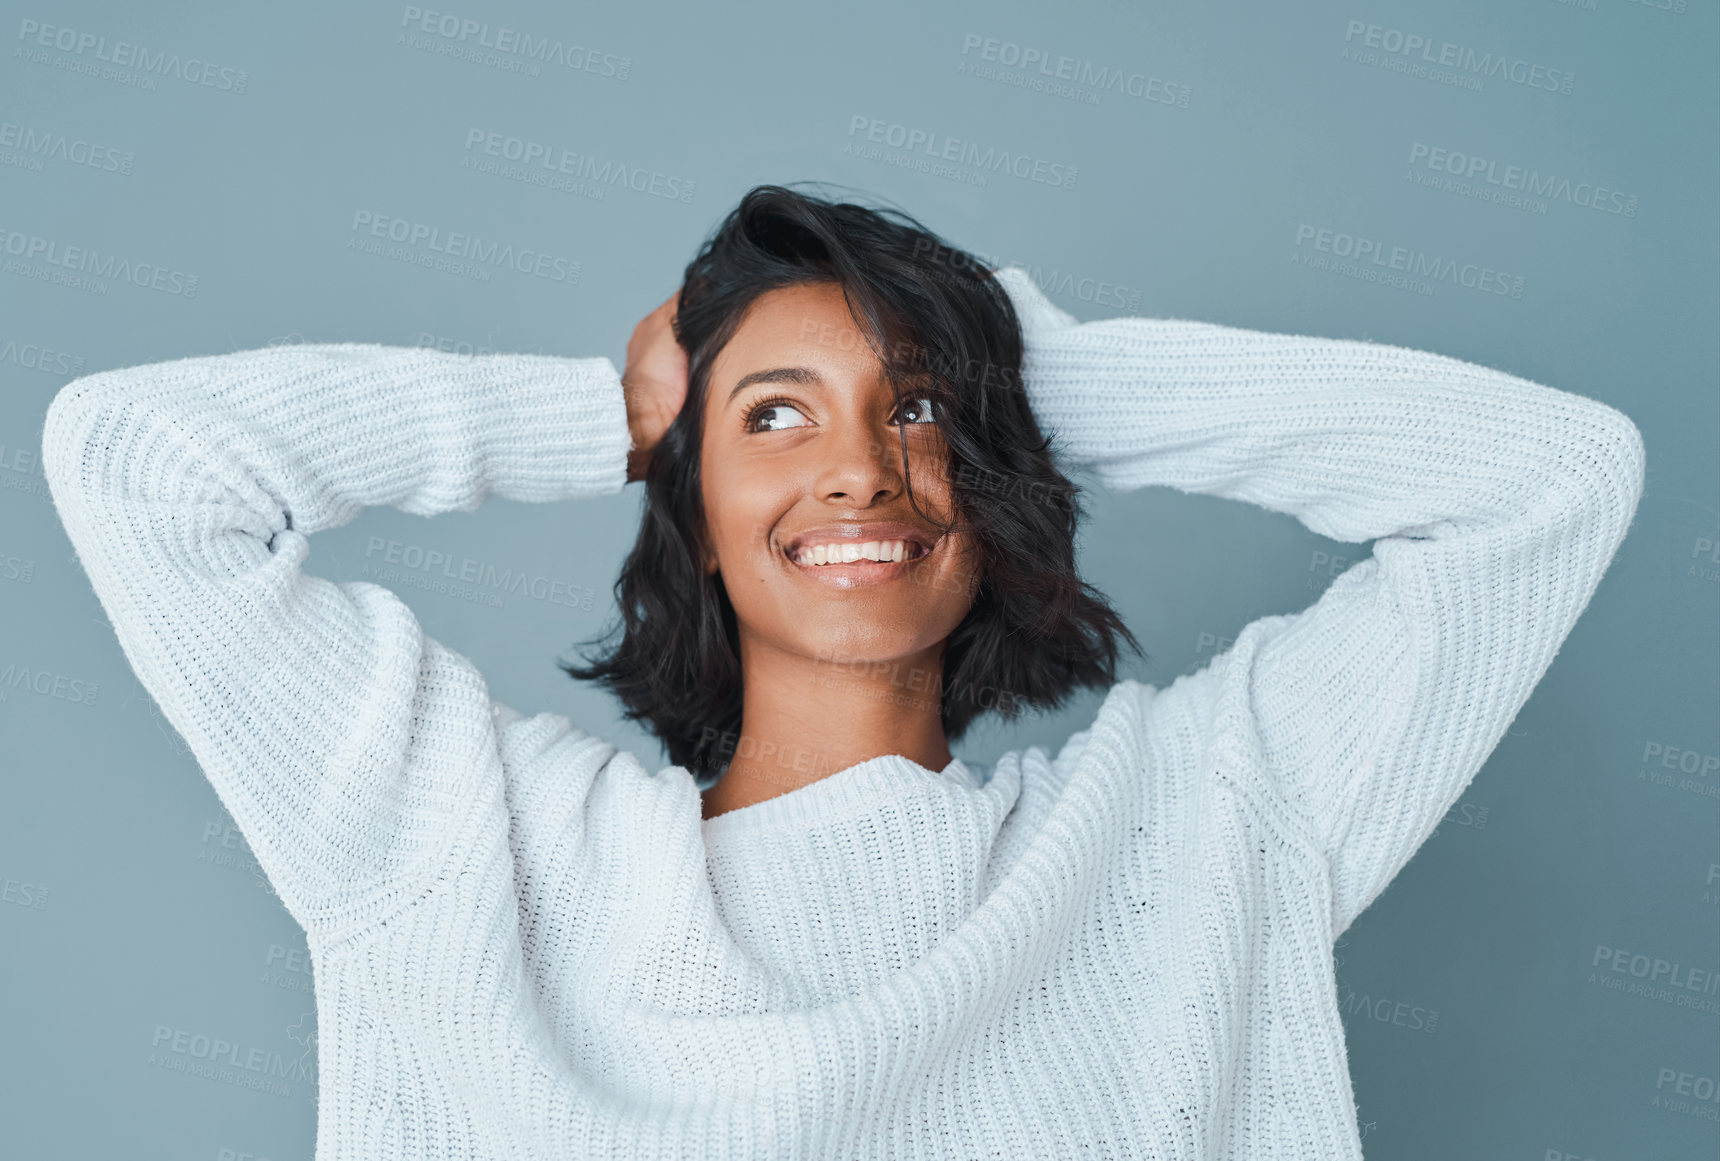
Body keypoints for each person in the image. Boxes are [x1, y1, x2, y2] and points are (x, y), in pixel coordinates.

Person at [42, 184, 1644, 1158]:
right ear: (692, 493)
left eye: (918, 410)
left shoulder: (1197, 832)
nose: (864, 470)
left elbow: (1547, 480)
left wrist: (1031, 382)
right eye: (775, 415)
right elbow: (139, 465)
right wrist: (599, 415)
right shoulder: (468, 847)